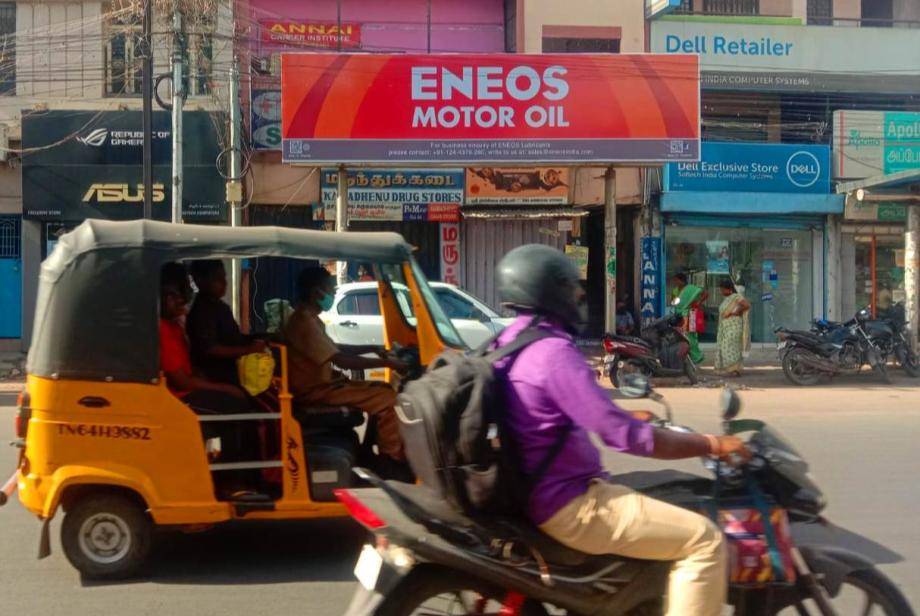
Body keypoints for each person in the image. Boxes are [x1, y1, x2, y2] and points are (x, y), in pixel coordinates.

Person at [494, 245, 749, 616]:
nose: (579, 296)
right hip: (569, 503)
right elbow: (624, 438)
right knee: (704, 539)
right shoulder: (552, 353)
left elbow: (569, 410)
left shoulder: (510, 343)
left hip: (531, 490)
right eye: (571, 288)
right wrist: (710, 443)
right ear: (551, 294)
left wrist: (626, 417)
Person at [283, 266, 410, 470]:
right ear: (317, 293)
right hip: (317, 391)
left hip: (327, 384)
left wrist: (372, 348)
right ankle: (391, 461)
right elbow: (341, 360)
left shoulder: (310, 318)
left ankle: (367, 451)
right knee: (390, 401)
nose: (333, 294)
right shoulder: (304, 322)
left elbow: (335, 349)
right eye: (330, 290)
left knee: (384, 388)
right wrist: (387, 363)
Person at [159, 263, 264, 497]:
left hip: (190, 388)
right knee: (236, 408)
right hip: (179, 398)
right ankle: (230, 482)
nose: (182, 300)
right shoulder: (163, 329)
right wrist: (224, 387)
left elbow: (191, 365)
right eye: (175, 295)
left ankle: (251, 476)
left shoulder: (175, 325)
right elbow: (183, 382)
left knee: (244, 405)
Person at [186, 260, 266, 385]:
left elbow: (234, 339)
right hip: (215, 376)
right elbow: (211, 349)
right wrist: (248, 349)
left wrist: (260, 338)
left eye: (224, 277)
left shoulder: (220, 307)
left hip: (232, 370)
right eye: (217, 279)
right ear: (200, 281)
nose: (224, 282)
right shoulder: (202, 311)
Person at [714, 279, 751, 377]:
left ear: (729, 289)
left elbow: (747, 305)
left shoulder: (736, 297)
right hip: (725, 327)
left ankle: (734, 369)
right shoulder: (728, 298)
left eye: (723, 289)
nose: (721, 291)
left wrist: (736, 311)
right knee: (725, 347)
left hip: (734, 326)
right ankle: (734, 370)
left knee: (729, 347)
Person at [672, 272, 707, 365]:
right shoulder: (675, 290)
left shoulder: (692, 288)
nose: (675, 282)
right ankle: (686, 357)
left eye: (676, 280)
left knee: (690, 336)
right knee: (680, 335)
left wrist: (698, 303)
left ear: (682, 280)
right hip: (678, 315)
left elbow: (705, 294)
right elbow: (674, 302)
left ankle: (696, 356)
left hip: (690, 314)